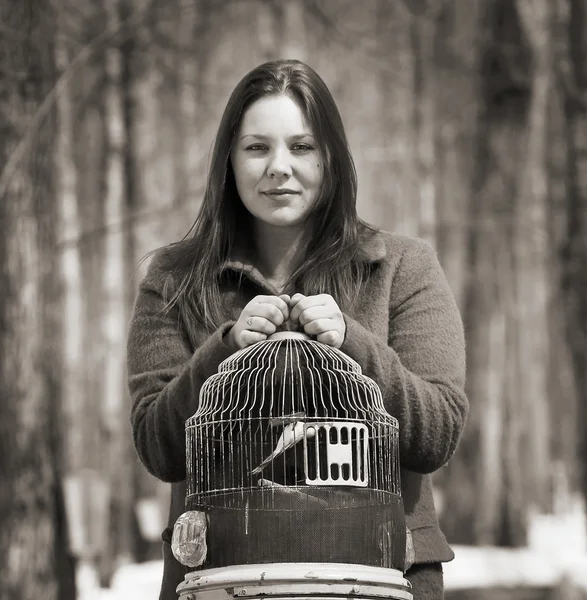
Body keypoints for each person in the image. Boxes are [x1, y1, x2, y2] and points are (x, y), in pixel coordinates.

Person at [127, 59, 468, 600]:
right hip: (221, 580)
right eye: (257, 148)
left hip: (382, 579)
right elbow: (158, 447)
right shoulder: (174, 282)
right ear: (229, 162)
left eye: (302, 147)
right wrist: (224, 353)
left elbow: (437, 433)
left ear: (332, 158)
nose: (278, 168)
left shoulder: (402, 267)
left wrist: (354, 344)